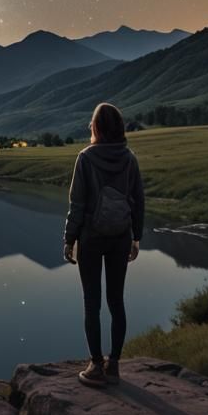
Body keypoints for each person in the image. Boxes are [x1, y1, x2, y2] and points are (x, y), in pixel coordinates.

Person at [63, 101, 145, 387]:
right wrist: (136, 237)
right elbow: (138, 201)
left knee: (91, 303)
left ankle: (95, 365)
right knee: (116, 301)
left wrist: (69, 240)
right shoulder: (129, 158)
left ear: (95, 127)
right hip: (121, 236)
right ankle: (115, 365)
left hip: (91, 237)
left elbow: (77, 205)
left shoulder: (85, 158)